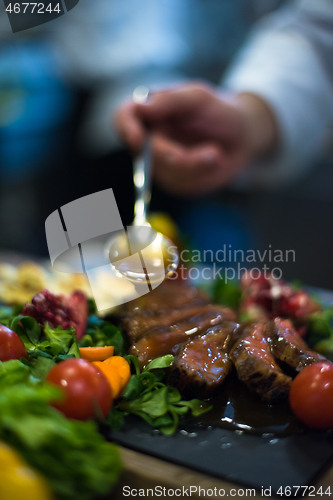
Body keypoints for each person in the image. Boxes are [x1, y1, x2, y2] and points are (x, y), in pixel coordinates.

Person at [115, 0, 333, 197]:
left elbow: (318, 33)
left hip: (192, 163)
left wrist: (250, 119)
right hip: (103, 132)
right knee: (90, 226)